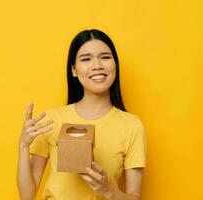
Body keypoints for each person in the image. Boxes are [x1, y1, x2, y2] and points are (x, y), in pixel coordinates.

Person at [17, 29, 147, 200]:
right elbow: (27, 196)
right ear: (74, 70)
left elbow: (134, 197)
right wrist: (23, 146)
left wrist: (109, 191)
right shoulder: (51, 120)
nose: (97, 65)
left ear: (115, 64)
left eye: (105, 57)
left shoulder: (132, 126)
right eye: (86, 59)